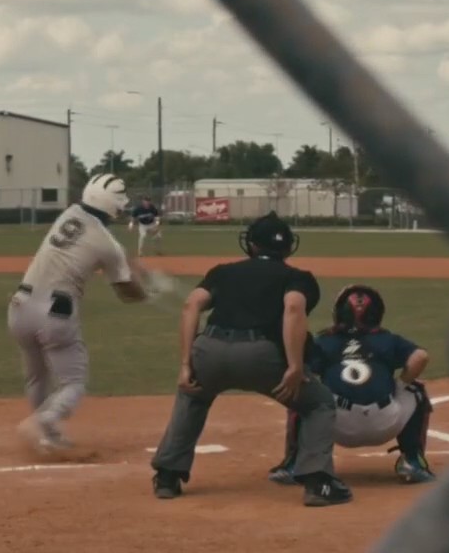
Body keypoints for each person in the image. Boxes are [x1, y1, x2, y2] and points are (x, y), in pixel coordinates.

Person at [149, 211, 352, 507]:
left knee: (193, 395)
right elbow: (293, 309)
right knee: (318, 403)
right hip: (260, 356)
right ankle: (318, 483)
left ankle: (167, 477)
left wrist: (185, 365)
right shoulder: (298, 277)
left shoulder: (223, 272)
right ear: (288, 247)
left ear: (251, 244)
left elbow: (191, 305)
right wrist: (295, 366)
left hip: (210, 350)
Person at [11, 173, 151, 452]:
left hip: (19, 307)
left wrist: (128, 264)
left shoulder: (69, 214)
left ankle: (47, 437)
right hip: (55, 312)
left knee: (37, 376)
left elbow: (103, 246)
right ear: (113, 205)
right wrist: (147, 294)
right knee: (73, 382)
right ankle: (45, 420)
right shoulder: (107, 244)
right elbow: (126, 291)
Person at [267, 284, 436, 486]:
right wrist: (400, 385)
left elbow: (304, 370)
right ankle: (412, 462)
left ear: (339, 313)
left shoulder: (325, 340)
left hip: (336, 426)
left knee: (301, 389)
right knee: (416, 389)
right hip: (385, 423)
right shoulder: (388, 339)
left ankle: (294, 465)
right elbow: (420, 357)